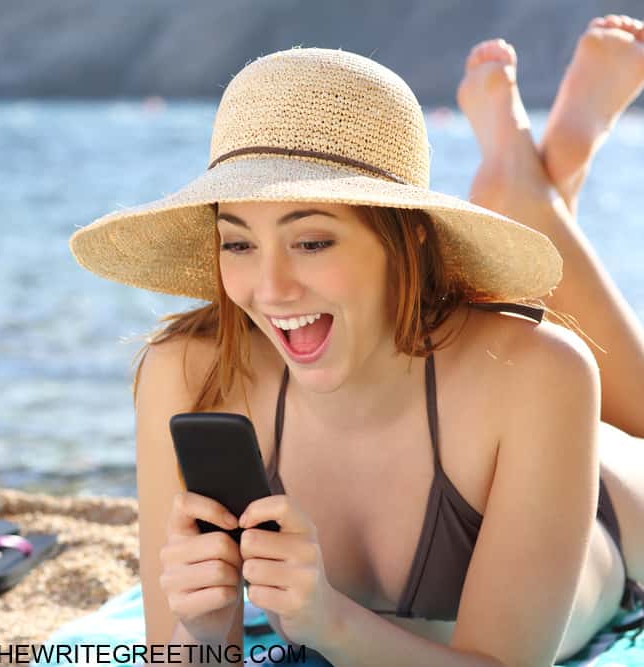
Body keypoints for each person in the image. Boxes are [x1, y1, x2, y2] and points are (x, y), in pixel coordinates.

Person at [69, 16, 644, 666]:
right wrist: (202, 632)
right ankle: (534, 189)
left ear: (409, 237)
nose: (271, 287)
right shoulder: (187, 376)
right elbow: (176, 655)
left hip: (602, 506)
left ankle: (541, 182)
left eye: (311, 240)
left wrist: (332, 623)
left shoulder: (538, 373)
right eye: (238, 242)